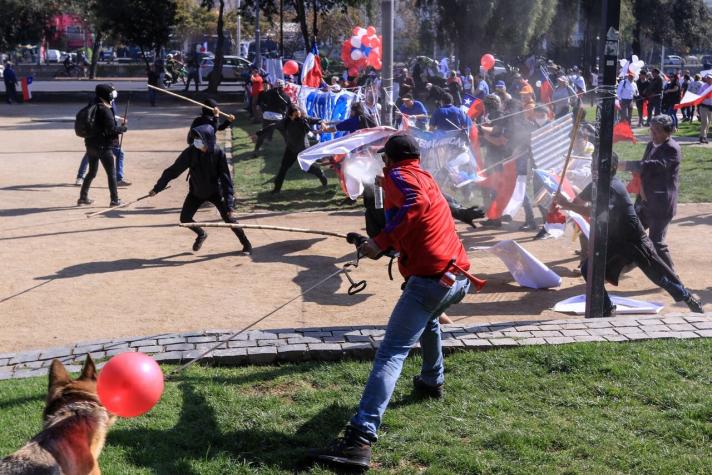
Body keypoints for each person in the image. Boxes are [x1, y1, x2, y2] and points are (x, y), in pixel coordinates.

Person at [308, 134, 475, 469]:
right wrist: (375, 242)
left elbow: (414, 206)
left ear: (390, 159)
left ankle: (359, 440)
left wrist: (381, 239)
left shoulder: (401, 176)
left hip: (431, 282)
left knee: (391, 354)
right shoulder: (426, 177)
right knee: (427, 319)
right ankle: (431, 380)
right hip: (457, 279)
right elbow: (416, 223)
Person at [555, 152, 703, 316]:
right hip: (615, 241)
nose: (593, 168)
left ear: (609, 168)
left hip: (634, 242)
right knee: (588, 268)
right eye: (592, 165)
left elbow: (596, 212)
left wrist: (567, 205)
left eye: (596, 165)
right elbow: (578, 202)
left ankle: (688, 298)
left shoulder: (612, 187)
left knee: (659, 277)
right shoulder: (596, 184)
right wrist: (563, 198)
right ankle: (607, 306)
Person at [149, 124, 252, 254]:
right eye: (196, 139)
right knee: (185, 218)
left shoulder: (218, 153)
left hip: (215, 192)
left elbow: (226, 180)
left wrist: (229, 204)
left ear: (208, 140)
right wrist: (157, 188)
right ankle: (201, 233)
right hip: (196, 192)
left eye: (200, 139)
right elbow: (173, 171)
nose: (196, 142)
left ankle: (246, 244)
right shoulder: (190, 152)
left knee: (229, 219)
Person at [633, 115, 682, 271]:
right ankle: (618, 269)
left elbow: (654, 165)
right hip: (645, 202)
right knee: (631, 234)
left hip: (661, 205)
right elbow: (644, 169)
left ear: (668, 132)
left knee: (656, 242)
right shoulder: (651, 145)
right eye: (652, 130)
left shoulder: (672, 149)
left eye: (657, 131)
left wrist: (627, 165)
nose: (653, 134)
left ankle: (673, 279)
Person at [77, 84, 126, 207]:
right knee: (111, 173)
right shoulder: (105, 110)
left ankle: (83, 197)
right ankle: (114, 200)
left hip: (90, 145)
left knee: (91, 172)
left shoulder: (92, 106)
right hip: (104, 147)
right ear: (106, 95)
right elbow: (111, 130)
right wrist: (122, 129)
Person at [272, 105, 328, 194]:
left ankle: (319, 173)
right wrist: (259, 133)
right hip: (290, 149)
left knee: (307, 168)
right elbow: (273, 126)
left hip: (303, 149)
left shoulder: (304, 119)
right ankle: (276, 189)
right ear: (290, 115)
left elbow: (319, 120)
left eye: (298, 114)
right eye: (295, 114)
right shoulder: (285, 122)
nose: (297, 116)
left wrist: (322, 123)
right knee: (283, 169)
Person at [75, 103, 131, 187]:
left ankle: (119, 179)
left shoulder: (111, 102)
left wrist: (119, 119)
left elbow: (111, 116)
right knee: (89, 156)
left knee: (119, 153)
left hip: (110, 136)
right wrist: (120, 127)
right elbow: (103, 116)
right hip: (99, 137)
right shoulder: (98, 102)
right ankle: (80, 177)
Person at [253, 80, 291, 155]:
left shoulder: (267, 93)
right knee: (286, 134)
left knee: (263, 134)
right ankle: (291, 150)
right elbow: (288, 106)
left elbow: (262, 103)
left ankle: (256, 150)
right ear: (283, 87)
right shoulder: (285, 96)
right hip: (278, 118)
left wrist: (264, 111)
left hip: (267, 116)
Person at [696, 73, 712, 143]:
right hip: (703, 106)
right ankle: (702, 137)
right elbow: (699, 95)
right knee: (705, 122)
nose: (709, 79)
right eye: (708, 78)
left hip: (711, 107)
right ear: (706, 79)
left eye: (710, 78)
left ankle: (704, 137)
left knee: (709, 123)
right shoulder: (703, 86)